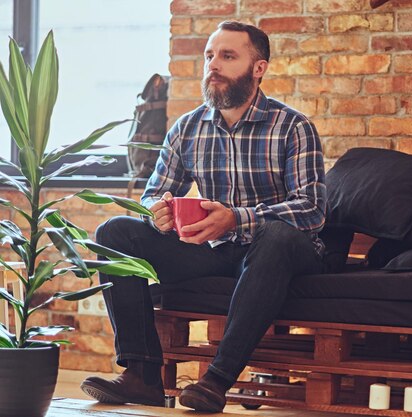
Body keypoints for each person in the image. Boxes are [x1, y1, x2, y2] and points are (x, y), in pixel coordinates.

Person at [80, 20, 326, 413]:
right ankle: (141, 374)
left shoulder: (293, 127)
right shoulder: (187, 129)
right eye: (210, 55)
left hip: (283, 253)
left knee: (276, 237)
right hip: (218, 251)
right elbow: (153, 195)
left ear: (258, 68)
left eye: (227, 56)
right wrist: (156, 214)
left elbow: (311, 211)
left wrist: (237, 219)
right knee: (114, 231)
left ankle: (216, 381)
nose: (213, 64)